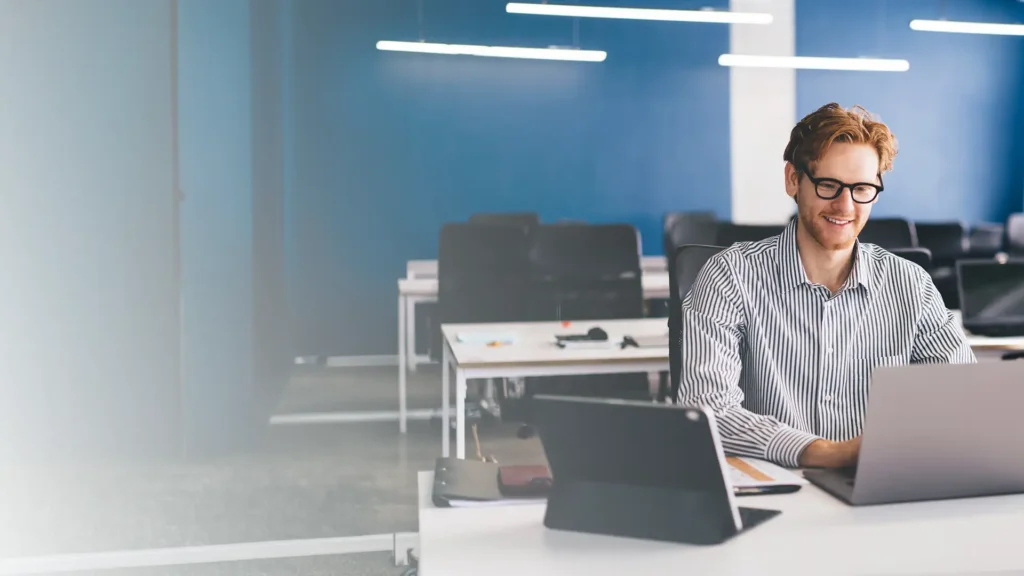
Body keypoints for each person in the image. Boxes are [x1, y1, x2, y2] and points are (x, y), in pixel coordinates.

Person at [677, 102, 976, 469]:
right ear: (793, 179)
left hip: (881, 487)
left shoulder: (911, 285)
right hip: (777, 495)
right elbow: (708, 411)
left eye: (862, 188)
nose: (845, 205)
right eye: (829, 185)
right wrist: (826, 453)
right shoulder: (730, 277)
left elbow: (964, 398)